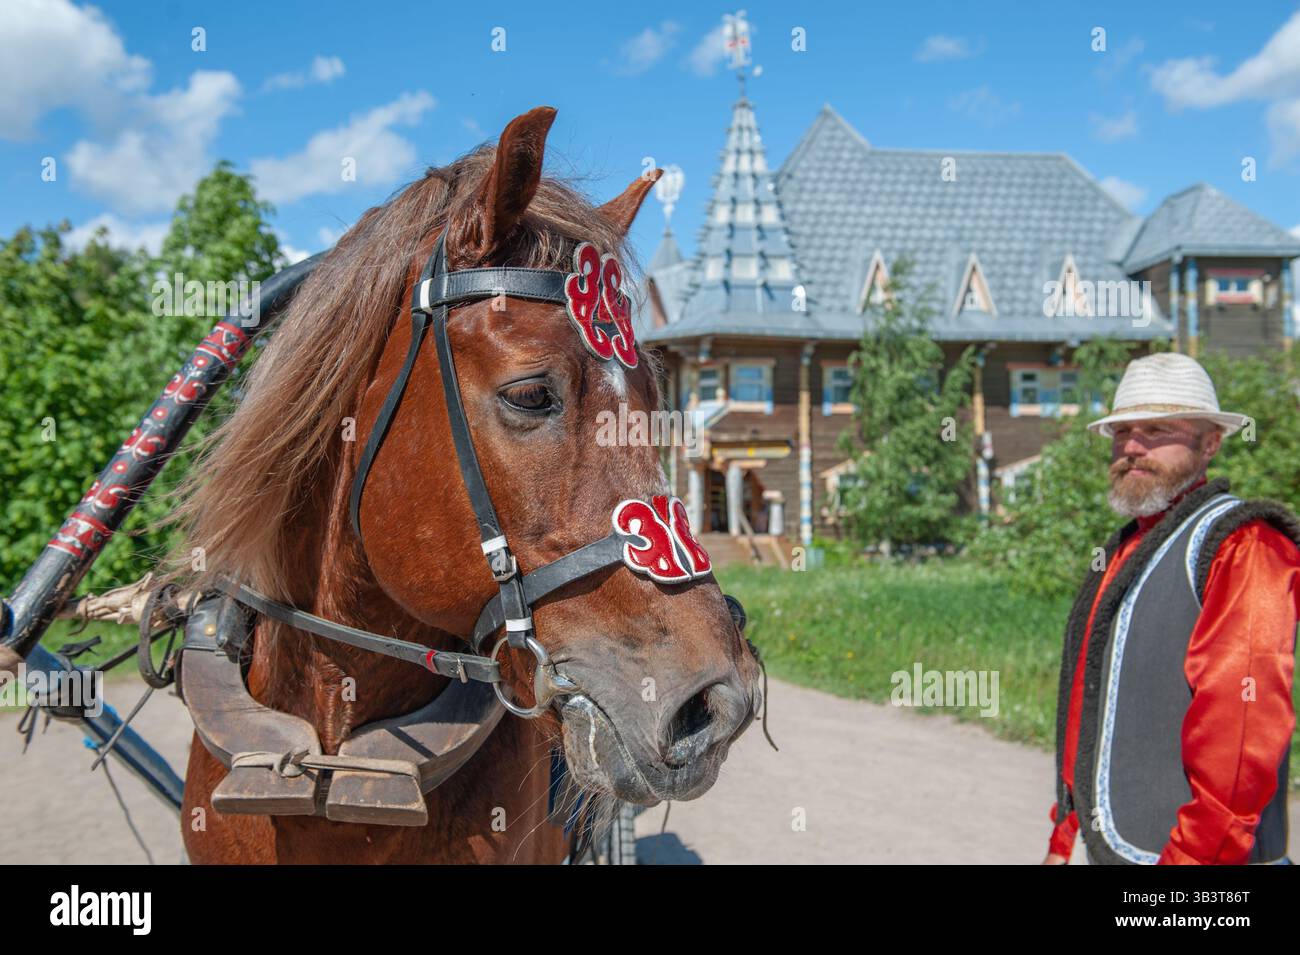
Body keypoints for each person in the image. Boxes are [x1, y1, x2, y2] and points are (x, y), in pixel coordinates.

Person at [1043, 352, 1297, 865]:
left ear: (1211, 443)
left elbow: (1242, 734)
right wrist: (1064, 840)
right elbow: (1090, 711)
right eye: (1122, 432)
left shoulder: (1243, 546)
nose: (1132, 448)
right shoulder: (1124, 550)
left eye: (1157, 430)